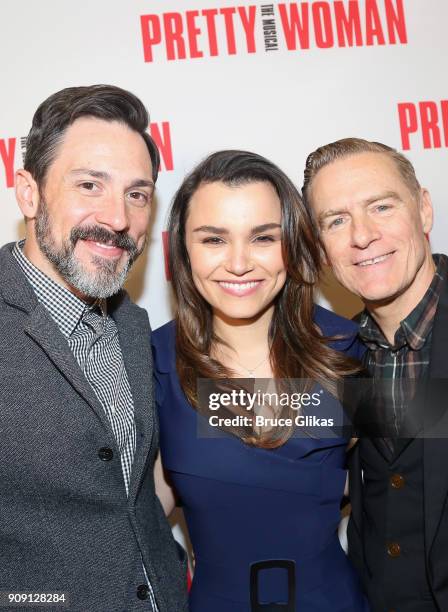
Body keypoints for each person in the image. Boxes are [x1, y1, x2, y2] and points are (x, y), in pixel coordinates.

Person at [152, 149, 369, 611]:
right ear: (182, 249)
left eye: (263, 238)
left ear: (292, 243)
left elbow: (404, 484)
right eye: (213, 239)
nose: (238, 263)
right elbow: (140, 510)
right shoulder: (152, 359)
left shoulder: (350, 348)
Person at [0, 85, 187, 612]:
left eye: (137, 194)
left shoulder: (132, 323)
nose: (118, 217)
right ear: (29, 193)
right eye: (89, 185)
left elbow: (126, 493)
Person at [302, 137, 448, 611]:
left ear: (423, 209)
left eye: (381, 207)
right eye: (336, 221)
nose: (361, 235)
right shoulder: (334, 356)